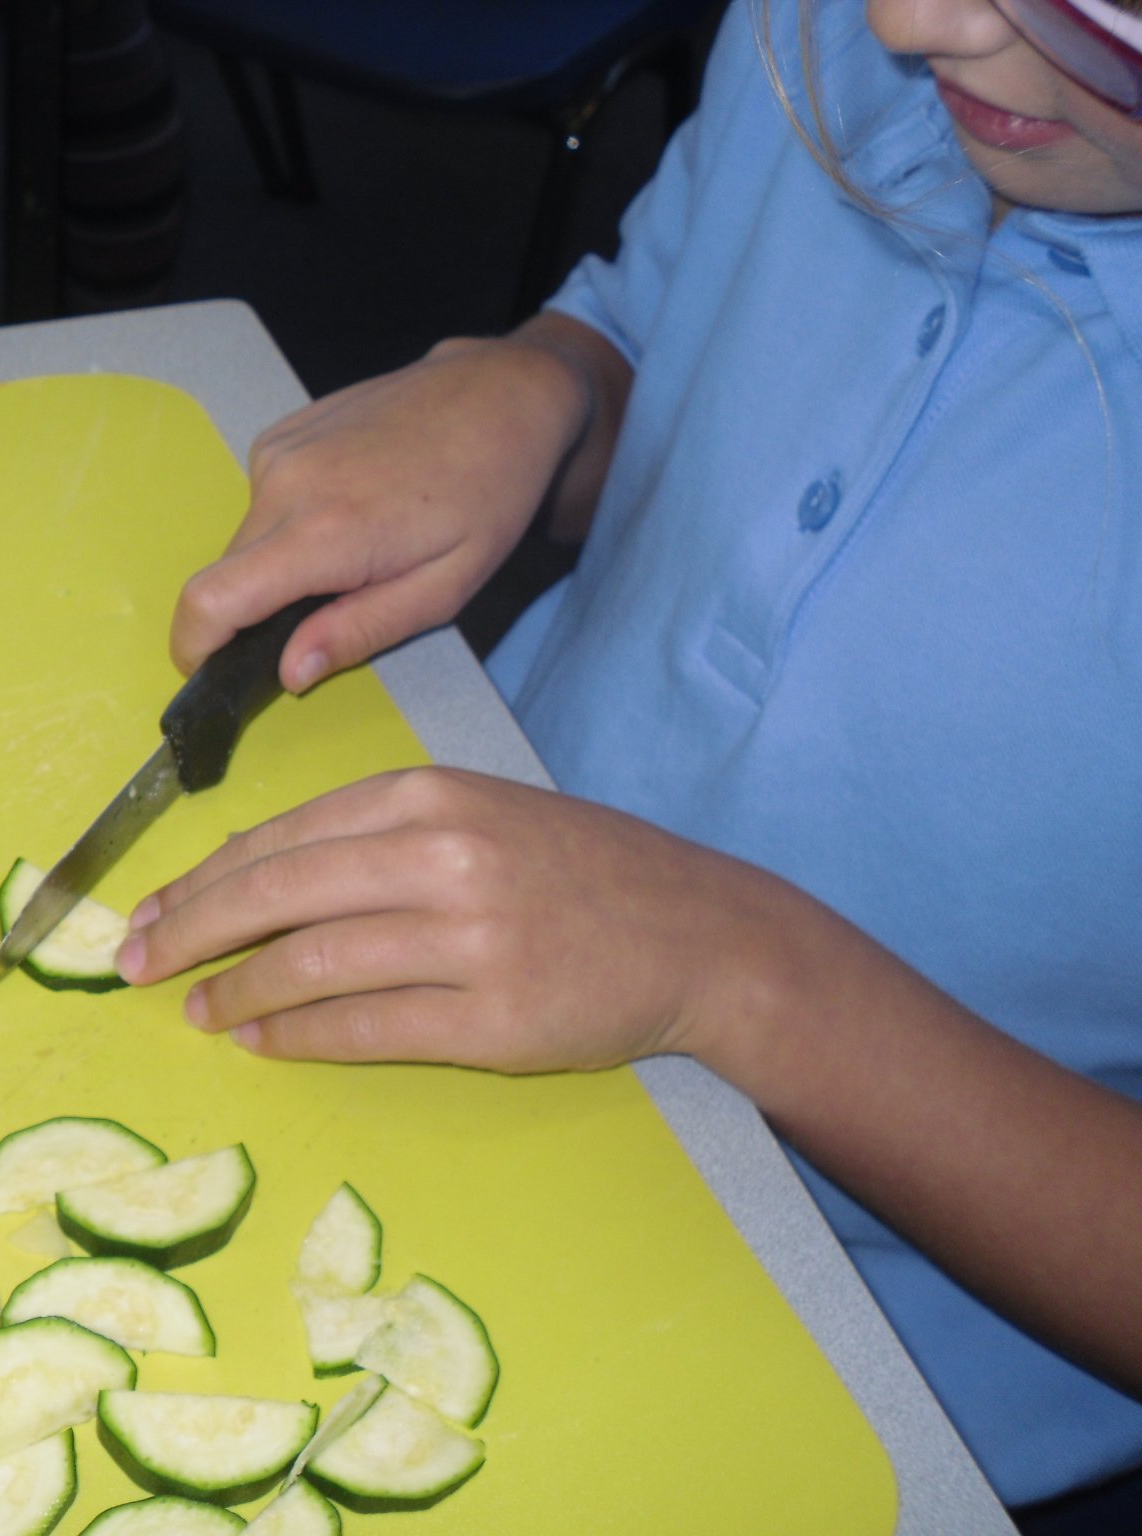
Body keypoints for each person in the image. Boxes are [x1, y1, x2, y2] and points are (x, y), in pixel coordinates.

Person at [114, 0, 1142, 1523]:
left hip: (862, 1374)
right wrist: (548, 384)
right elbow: (656, 327)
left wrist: (734, 972)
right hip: (483, 997)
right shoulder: (828, 35)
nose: (912, 23)